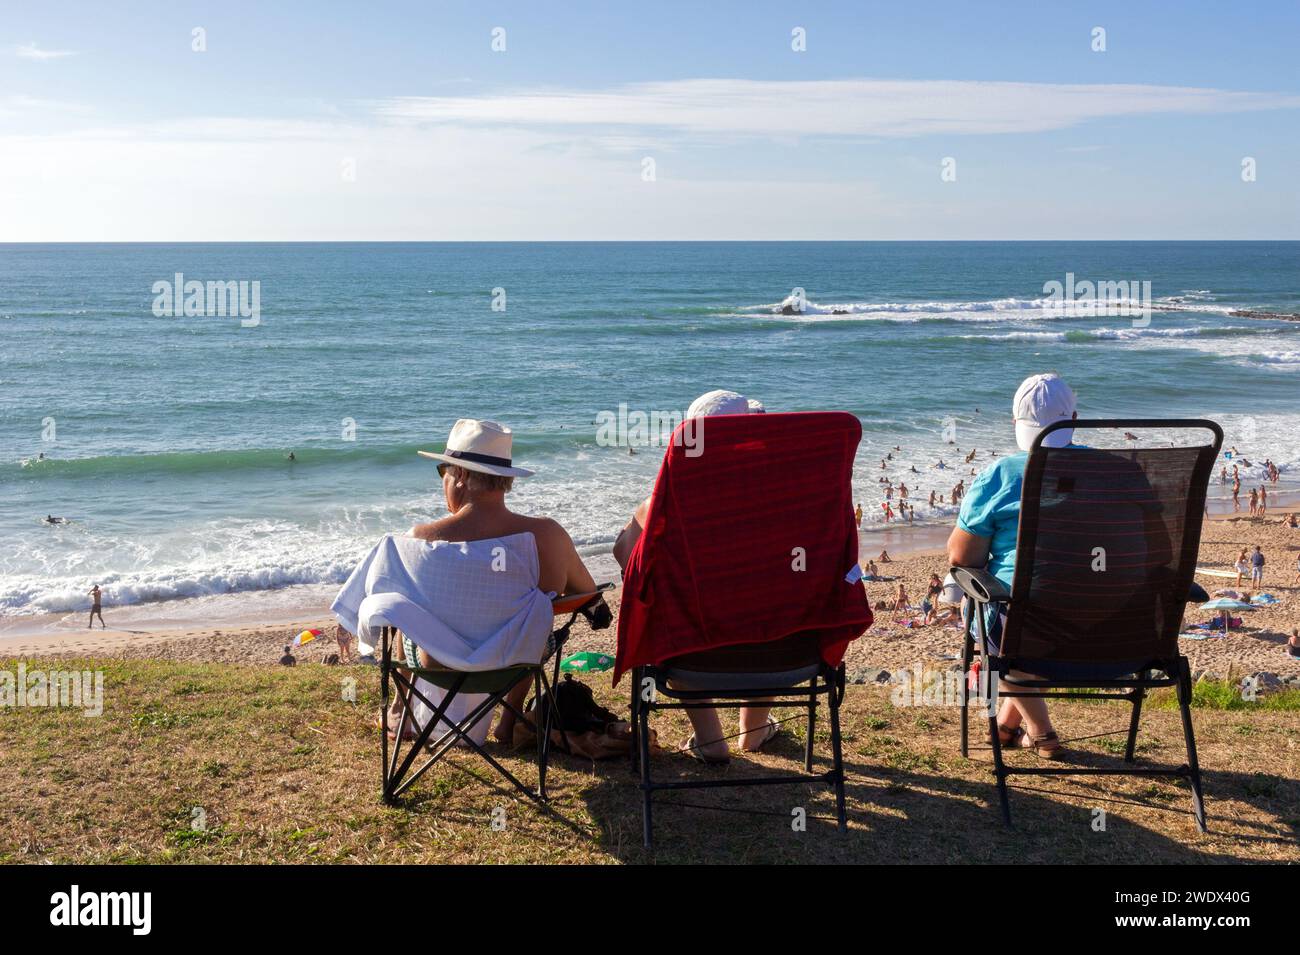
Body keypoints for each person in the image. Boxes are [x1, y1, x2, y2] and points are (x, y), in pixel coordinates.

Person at [408, 419, 600, 745]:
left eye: (445, 471)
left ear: (462, 476)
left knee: (402, 605)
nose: (444, 481)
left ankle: (403, 711)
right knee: (532, 623)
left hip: (438, 662)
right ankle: (509, 719)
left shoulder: (420, 540)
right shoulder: (548, 537)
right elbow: (588, 594)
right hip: (512, 662)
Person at [613, 390, 777, 762]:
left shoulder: (664, 504)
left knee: (676, 612)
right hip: (782, 651)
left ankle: (710, 738)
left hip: (691, 656)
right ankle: (753, 729)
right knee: (769, 600)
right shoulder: (787, 499)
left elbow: (625, 557)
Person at [946, 372, 1081, 759]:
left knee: (1001, 619)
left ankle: (1041, 733)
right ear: (1074, 419)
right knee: (1039, 612)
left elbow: (961, 558)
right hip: (1115, 629)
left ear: (1015, 425)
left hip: (1028, 628)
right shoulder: (1118, 471)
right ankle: (1006, 727)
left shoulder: (1002, 475)